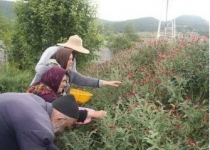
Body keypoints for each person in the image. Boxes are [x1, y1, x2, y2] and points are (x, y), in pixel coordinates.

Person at [31, 34, 122, 88]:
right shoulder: (52, 51)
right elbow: (39, 68)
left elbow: (76, 76)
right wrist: (56, 75)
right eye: (69, 58)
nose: (71, 60)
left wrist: (106, 82)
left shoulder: (72, 58)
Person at [0, 92, 82, 149]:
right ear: (59, 119)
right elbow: (41, 137)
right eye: (65, 126)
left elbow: (44, 142)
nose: (62, 130)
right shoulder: (40, 128)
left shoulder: (38, 101)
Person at [27, 66, 107, 124]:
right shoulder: (44, 94)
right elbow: (64, 112)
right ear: (55, 80)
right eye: (63, 81)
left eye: (66, 81)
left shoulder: (40, 87)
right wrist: (94, 114)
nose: (65, 84)